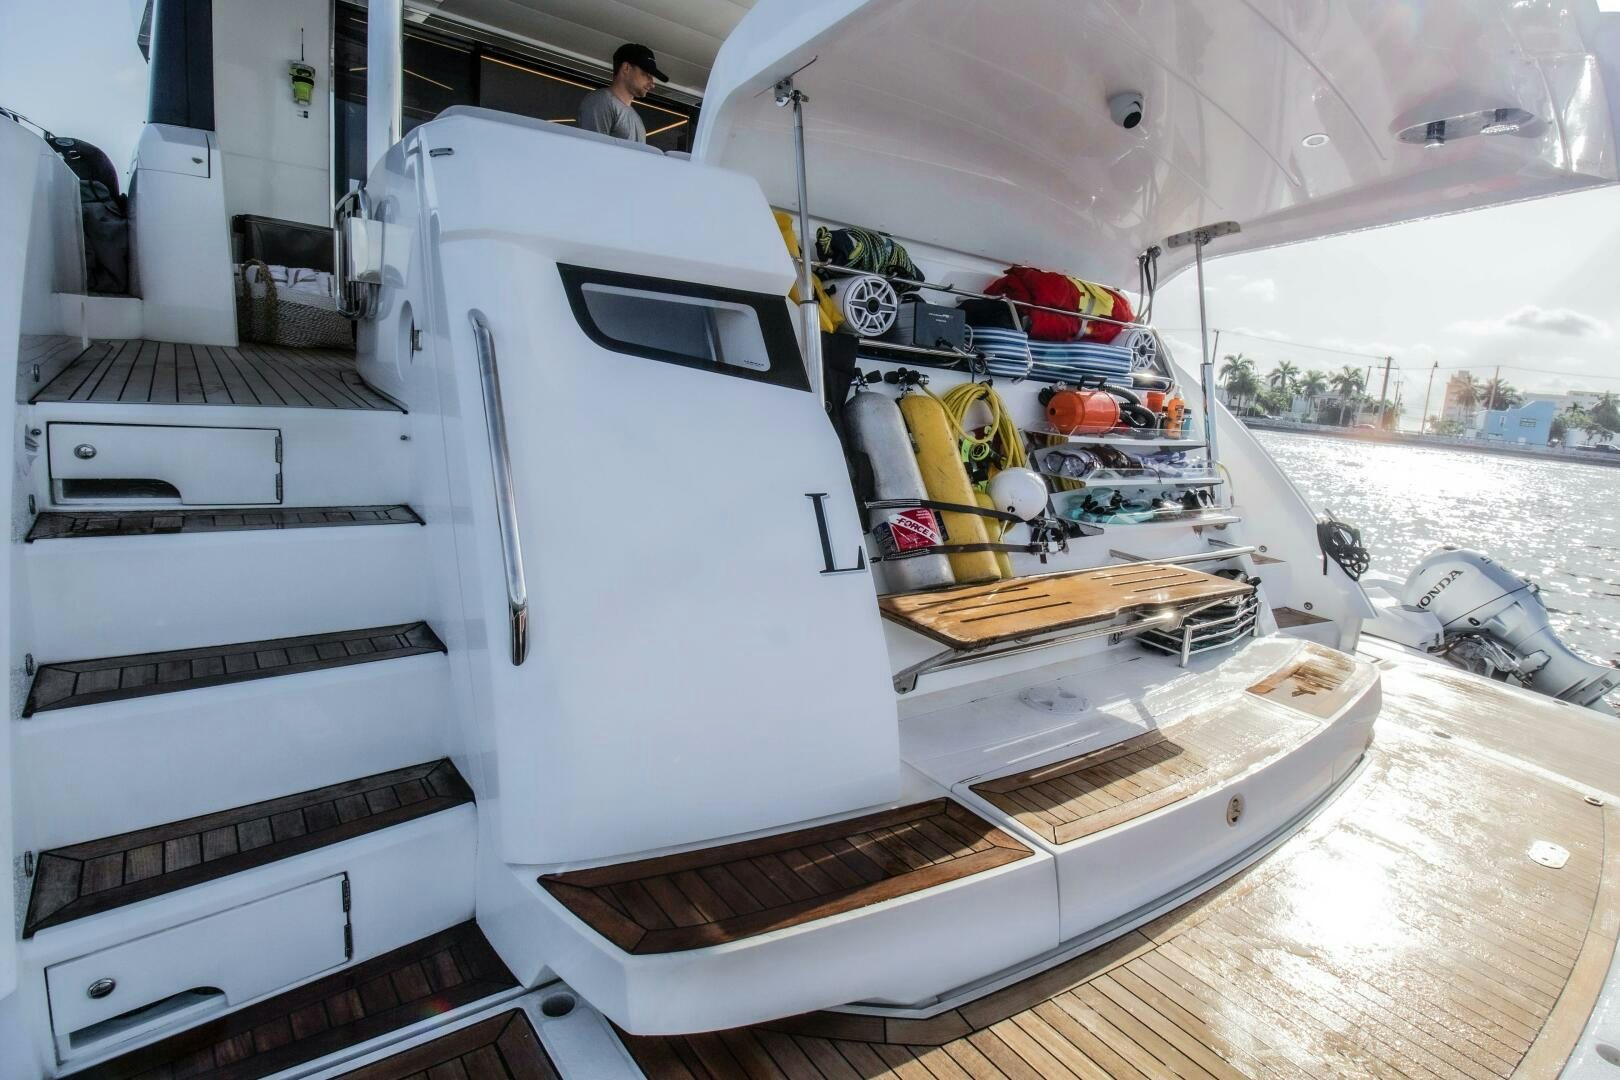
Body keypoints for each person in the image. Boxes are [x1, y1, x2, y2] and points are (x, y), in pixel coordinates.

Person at [577, 44, 668, 143]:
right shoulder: (601, 101)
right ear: (626, 68)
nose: (652, 83)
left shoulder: (637, 119)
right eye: (647, 74)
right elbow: (594, 151)